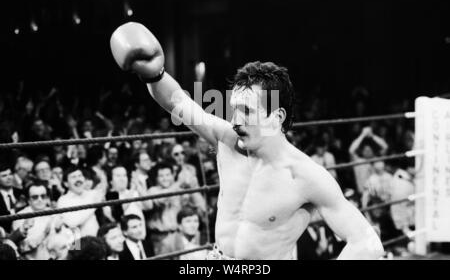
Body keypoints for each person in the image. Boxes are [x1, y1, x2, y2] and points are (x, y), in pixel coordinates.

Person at [110, 22, 384, 259]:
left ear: (276, 118)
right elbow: (177, 101)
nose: (236, 119)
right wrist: (154, 74)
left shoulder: (305, 176)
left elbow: (367, 244)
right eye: (235, 108)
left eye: (247, 111)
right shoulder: (226, 140)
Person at [57, 165, 104, 237]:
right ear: (66, 184)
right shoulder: (63, 200)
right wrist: (94, 205)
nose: (78, 179)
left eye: (80, 175)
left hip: (97, 240)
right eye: (73, 177)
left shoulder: (92, 194)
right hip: (76, 243)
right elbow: (72, 223)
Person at [12, 182, 55, 259]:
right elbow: (23, 248)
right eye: (35, 197)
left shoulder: (55, 213)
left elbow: (74, 234)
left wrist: (74, 251)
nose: (40, 200)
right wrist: (44, 235)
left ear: (47, 198)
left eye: (43, 196)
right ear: (28, 200)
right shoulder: (20, 217)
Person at [349, 126, 388, 194]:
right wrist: (362, 135)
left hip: (378, 194)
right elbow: (351, 150)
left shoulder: (377, 160)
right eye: (365, 150)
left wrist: (372, 135)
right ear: (362, 152)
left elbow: (385, 147)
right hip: (363, 193)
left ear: (373, 151)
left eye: (369, 150)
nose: (367, 152)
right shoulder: (358, 161)